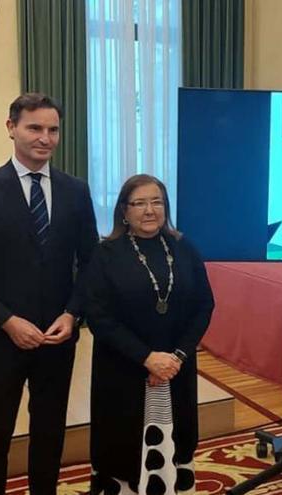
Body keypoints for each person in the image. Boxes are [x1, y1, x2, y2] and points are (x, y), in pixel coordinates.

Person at [0, 93, 99, 495]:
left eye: (53, 130)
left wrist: (72, 314)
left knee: (50, 430)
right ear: (11, 127)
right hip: (0, 337)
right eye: (35, 128)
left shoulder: (76, 191)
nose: (45, 138)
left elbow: (90, 264)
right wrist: (6, 320)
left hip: (58, 336)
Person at [86, 174, 214, 495]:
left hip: (175, 370)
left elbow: (204, 306)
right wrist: (147, 358)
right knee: (123, 452)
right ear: (124, 211)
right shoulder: (106, 254)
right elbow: (100, 318)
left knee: (176, 442)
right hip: (123, 372)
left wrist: (177, 357)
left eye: (156, 202)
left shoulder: (184, 248)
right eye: (139, 203)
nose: (149, 210)